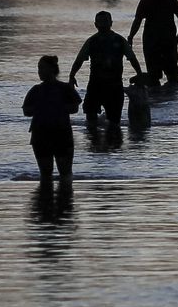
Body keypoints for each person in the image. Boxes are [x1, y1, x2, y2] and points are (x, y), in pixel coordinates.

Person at [70, 10, 143, 126]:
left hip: (114, 85)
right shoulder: (91, 41)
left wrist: (139, 74)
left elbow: (132, 59)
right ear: (95, 24)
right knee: (90, 117)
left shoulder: (119, 40)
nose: (103, 24)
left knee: (114, 121)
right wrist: (72, 76)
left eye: (106, 21)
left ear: (111, 23)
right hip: (95, 84)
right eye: (100, 21)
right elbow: (79, 60)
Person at [22, 55, 81, 188]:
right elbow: (26, 111)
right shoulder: (35, 90)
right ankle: (46, 201)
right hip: (41, 135)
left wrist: (55, 107)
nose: (39, 71)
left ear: (52, 70)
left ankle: (62, 200)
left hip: (62, 134)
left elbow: (75, 108)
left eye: (42, 68)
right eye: (39, 68)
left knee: (65, 174)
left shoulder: (65, 88)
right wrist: (42, 107)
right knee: (45, 174)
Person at [126, 0, 178, 87]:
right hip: (160, 39)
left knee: (164, 71)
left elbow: (137, 20)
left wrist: (131, 36)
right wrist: (130, 36)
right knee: (166, 70)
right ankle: (169, 95)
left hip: (156, 39)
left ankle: (159, 96)